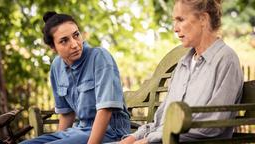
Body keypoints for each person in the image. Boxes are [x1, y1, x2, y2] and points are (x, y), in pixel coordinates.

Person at [119, 0, 243, 143]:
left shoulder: (226, 60)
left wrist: (149, 140)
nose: (175, 28)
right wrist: (134, 137)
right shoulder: (182, 66)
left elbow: (211, 126)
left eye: (180, 20)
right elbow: (161, 122)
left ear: (203, 19)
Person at [21, 11, 130, 144]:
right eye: (64, 40)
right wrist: (60, 137)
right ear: (53, 47)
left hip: (111, 131)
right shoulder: (56, 66)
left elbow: (105, 110)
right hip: (79, 130)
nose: (74, 44)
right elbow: (67, 114)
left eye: (76, 35)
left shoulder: (99, 57)